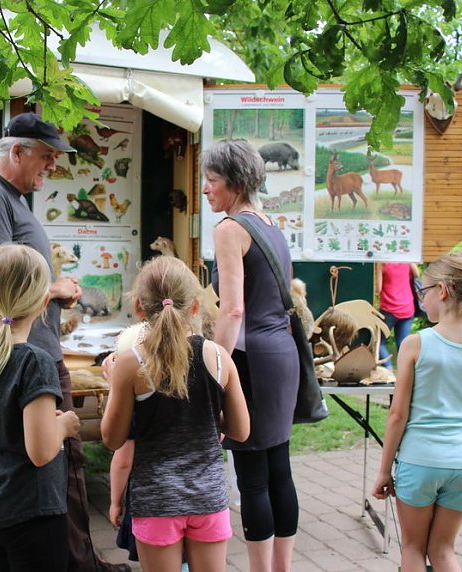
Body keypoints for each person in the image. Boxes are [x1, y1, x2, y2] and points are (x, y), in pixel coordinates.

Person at [0, 111, 130, 572]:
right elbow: (1, 272)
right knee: (51, 465)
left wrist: (54, 291)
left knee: (55, 471)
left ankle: (78, 561)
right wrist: (52, 290)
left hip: (20, 350)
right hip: (22, 356)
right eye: (47, 156)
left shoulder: (8, 196)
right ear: (16, 151)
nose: (51, 166)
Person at [101, 255, 250, 571]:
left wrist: (116, 386)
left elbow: (112, 439)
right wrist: (208, 419)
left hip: (156, 502)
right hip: (208, 500)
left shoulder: (131, 364)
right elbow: (240, 430)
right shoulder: (219, 357)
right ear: (195, 306)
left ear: (140, 309)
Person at [371, 250, 462, 572]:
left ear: (443, 291)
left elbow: (397, 415)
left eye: (424, 291)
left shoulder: (417, 344)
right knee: (444, 551)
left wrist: (383, 471)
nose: (422, 300)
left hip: (419, 463)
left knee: (412, 549)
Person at [0, 244, 81, 571]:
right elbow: (40, 451)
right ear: (43, 302)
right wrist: (64, 425)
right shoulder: (36, 362)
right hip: (31, 514)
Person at [202, 139, 299, 572]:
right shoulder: (270, 225)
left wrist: (216, 370)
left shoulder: (229, 228)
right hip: (282, 355)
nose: (206, 188)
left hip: (252, 361)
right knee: (279, 467)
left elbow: (233, 307)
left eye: (213, 180)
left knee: (252, 476)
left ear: (236, 183)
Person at [375, 262, 421, 369]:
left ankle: (389, 368)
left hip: (388, 309)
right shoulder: (406, 261)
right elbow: (417, 274)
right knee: (403, 344)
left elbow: (379, 289)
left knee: (379, 341)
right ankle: (406, 373)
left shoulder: (382, 263)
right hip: (407, 308)